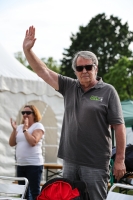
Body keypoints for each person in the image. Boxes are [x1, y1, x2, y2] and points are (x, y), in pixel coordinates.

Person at [22, 26, 126, 200]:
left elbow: (119, 127)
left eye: (88, 67)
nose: (84, 71)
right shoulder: (70, 87)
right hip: (70, 161)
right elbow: (43, 71)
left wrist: (120, 159)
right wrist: (27, 50)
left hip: (95, 163)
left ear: (96, 68)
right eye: (80, 68)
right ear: (75, 71)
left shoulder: (108, 91)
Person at [9, 105, 45, 200]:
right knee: (23, 193)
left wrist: (25, 129)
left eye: (28, 113)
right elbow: (12, 143)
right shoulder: (19, 127)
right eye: (23, 113)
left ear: (34, 115)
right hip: (21, 164)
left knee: (35, 192)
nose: (25, 114)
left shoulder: (38, 126)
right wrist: (14, 130)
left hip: (34, 165)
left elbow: (33, 142)